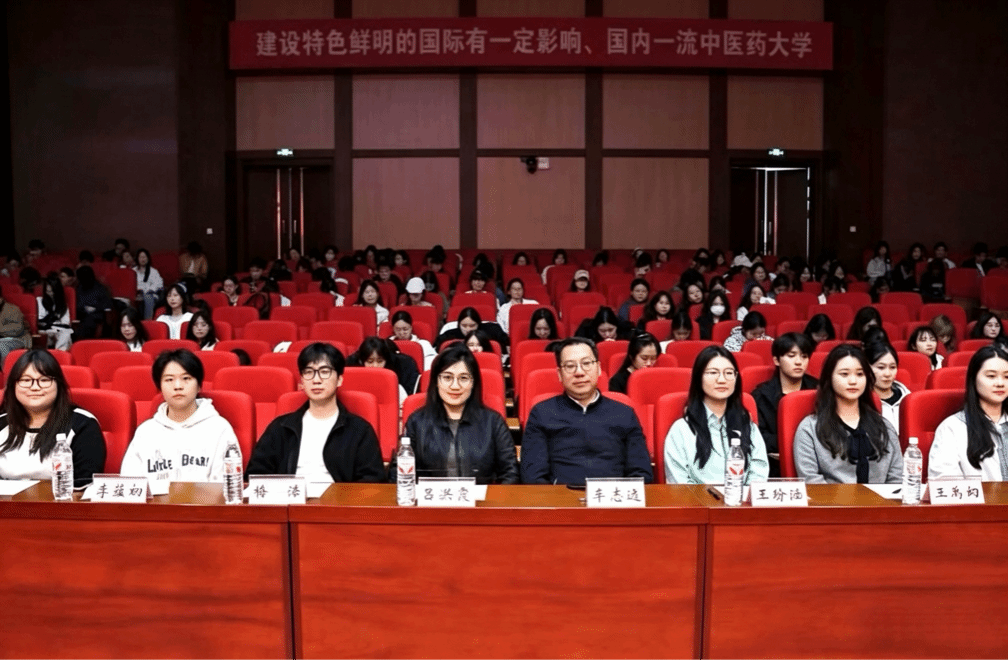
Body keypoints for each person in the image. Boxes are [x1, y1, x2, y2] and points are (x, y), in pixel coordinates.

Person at [520, 337, 653, 486]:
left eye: (586, 363)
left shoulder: (624, 413)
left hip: (613, 497)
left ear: (598, 368)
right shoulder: (542, 413)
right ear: (559, 374)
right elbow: (533, 476)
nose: (579, 372)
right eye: (570, 366)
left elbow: (641, 473)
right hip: (561, 498)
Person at [247, 343, 385, 482]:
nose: (316, 380)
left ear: (339, 379)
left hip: (338, 495)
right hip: (290, 495)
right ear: (302, 381)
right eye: (308, 372)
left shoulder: (360, 430)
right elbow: (256, 475)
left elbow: (372, 481)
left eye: (324, 372)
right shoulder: (280, 427)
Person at [387, 344, 517, 484]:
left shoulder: (493, 422)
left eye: (463, 378)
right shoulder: (417, 422)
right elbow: (398, 474)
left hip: (482, 497)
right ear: (436, 381)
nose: (455, 386)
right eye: (447, 377)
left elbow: (510, 473)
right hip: (430, 497)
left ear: (473, 383)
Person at [120, 350, 238, 483]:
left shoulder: (219, 429)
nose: (177, 386)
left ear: (199, 385)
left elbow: (226, 487)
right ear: (159, 387)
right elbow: (129, 484)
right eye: (169, 380)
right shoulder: (145, 432)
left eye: (186, 378)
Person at [793, 345, 903, 484]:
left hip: (883, 498)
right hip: (830, 498)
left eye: (860, 374)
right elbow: (811, 481)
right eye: (844, 374)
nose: (853, 381)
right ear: (829, 377)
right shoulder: (809, 428)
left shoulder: (884, 427)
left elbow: (897, 479)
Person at [664, 346, 770, 485]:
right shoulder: (681, 430)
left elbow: (758, 473)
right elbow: (679, 482)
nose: (722, 380)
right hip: (696, 499)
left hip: (742, 498)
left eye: (729, 373)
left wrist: (742, 496)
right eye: (713, 372)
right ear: (698, 378)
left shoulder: (748, 426)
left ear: (736, 378)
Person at [0, 350, 106, 485]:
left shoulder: (82, 424)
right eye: (26, 380)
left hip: (63, 498)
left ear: (58, 385)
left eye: (44, 380)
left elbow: (84, 485)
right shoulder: (2, 423)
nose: (35, 387)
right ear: (13, 385)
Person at [928, 345, 1008, 481]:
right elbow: (945, 482)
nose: (1000, 383)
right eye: (991, 376)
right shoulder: (952, 428)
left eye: (1006, 376)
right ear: (974, 379)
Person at [752, 333, 818, 476]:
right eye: (791, 356)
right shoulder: (761, 395)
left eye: (804, 356)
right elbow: (757, 435)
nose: (799, 362)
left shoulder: (819, 391)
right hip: (773, 466)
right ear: (776, 360)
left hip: (815, 463)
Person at [865, 341, 911, 433]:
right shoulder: (863, 402)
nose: (888, 374)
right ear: (867, 368)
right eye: (881, 367)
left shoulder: (908, 397)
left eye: (892, 367)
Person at [348, 337, 409, 406]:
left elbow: (405, 408)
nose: (375, 366)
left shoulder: (395, 387)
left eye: (380, 361)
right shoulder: (353, 386)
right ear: (362, 362)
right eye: (370, 361)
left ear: (386, 361)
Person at [435, 307, 508, 351]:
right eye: (464, 326)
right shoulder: (449, 335)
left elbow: (506, 343)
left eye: (472, 325)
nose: (468, 329)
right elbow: (438, 347)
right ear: (459, 325)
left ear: (478, 324)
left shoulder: (493, 330)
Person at [73, 265, 113, 341]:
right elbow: (76, 304)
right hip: (81, 314)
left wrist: (94, 308)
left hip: (96, 316)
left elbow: (107, 305)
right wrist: (84, 308)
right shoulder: (79, 288)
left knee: (88, 322)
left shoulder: (101, 288)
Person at [36, 275, 72, 351]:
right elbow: (40, 321)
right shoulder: (39, 301)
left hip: (58, 329)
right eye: (48, 291)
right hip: (44, 329)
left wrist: (54, 327)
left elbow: (66, 323)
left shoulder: (63, 305)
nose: (50, 294)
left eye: (52, 291)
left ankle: (59, 354)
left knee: (66, 333)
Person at [134, 249, 164, 319]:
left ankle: (148, 321)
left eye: (144, 257)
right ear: (137, 258)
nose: (142, 259)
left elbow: (159, 283)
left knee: (148, 297)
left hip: (150, 295)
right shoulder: (133, 271)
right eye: (140, 257)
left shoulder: (153, 271)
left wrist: (151, 289)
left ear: (148, 258)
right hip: (137, 295)